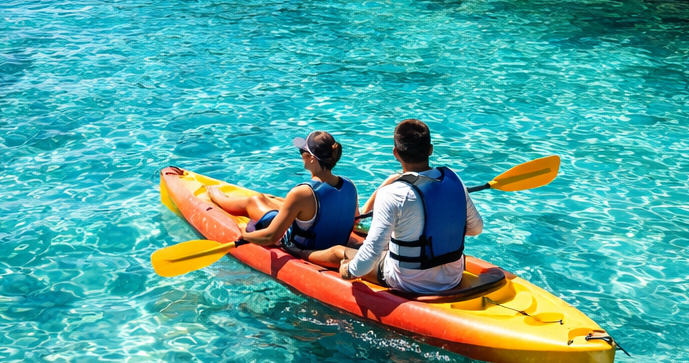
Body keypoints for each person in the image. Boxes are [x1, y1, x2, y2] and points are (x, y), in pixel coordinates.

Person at [328, 119, 483, 295]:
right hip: (452, 277)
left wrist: (349, 271)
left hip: (407, 281)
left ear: (396, 153)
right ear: (430, 149)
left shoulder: (391, 193)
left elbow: (369, 255)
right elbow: (476, 228)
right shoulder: (453, 179)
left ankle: (298, 252)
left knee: (339, 253)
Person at [206, 131, 357, 269]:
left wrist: (243, 233)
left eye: (302, 152)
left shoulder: (302, 193)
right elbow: (351, 219)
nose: (301, 155)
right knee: (276, 201)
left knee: (255, 200)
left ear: (312, 158)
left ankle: (216, 196)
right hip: (329, 240)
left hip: (302, 246)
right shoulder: (350, 185)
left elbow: (270, 237)